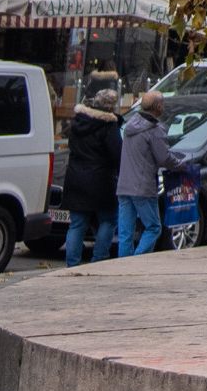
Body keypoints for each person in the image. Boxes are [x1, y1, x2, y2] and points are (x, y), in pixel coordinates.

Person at [115, 89, 182, 261]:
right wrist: (181, 165)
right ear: (158, 106)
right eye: (163, 104)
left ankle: (122, 265)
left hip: (124, 186)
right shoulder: (154, 130)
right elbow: (164, 158)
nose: (163, 107)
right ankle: (136, 261)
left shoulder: (130, 125)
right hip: (143, 187)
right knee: (153, 227)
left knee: (125, 232)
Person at [63, 82, 123, 265]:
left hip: (75, 178)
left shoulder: (78, 121)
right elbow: (117, 154)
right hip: (100, 180)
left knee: (77, 223)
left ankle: (71, 263)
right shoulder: (108, 126)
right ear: (111, 106)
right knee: (109, 219)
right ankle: (99, 258)